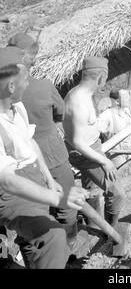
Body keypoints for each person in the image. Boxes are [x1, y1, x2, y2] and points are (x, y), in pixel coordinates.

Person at [0, 63, 89, 269]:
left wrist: (48, 179)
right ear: (11, 86)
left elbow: (30, 143)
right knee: (52, 235)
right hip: (10, 189)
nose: (29, 83)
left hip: (31, 177)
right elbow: (7, 180)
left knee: (36, 238)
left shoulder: (17, 107)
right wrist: (59, 197)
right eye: (26, 79)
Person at [5, 32, 79, 245]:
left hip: (21, 164)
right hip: (51, 154)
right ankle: (71, 246)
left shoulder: (9, 96)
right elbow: (60, 112)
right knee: (66, 203)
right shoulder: (44, 86)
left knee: (35, 213)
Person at [63, 56, 125, 228]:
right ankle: (110, 231)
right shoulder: (79, 103)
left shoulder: (78, 93)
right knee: (117, 193)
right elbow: (78, 143)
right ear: (101, 77)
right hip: (86, 152)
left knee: (91, 189)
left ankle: (93, 225)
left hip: (90, 148)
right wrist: (104, 161)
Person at [97, 88, 131, 168]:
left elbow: (130, 133)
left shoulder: (126, 111)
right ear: (117, 101)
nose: (129, 98)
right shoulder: (106, 116)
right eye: (125, 97)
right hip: (116, 157)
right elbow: (93, 134)